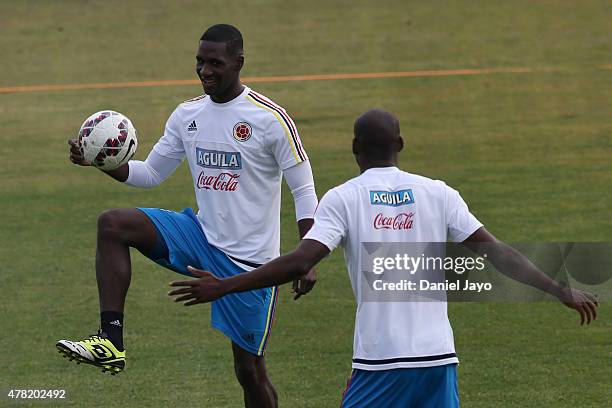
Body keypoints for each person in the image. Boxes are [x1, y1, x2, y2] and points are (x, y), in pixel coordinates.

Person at [168, 109, 599, 407]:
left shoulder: (343, 199)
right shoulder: (438, 192)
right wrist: (559, 289)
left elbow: (301, 261)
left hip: (381, 363)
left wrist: (223, 285)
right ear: (401, 144)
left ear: (355, 147)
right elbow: (497, 253)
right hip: (438, 361)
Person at [57, 24, 318, 408]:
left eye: (215, 62)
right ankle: (110, 341)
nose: (204, 70)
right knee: (113, 224)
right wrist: (100, 162)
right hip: (200, 236)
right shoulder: (187, 115)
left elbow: (304, 190)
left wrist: (307, 258)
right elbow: (150, 174)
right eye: (200, 61)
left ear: (239, 62)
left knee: (249, 370)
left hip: (250, 265)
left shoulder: (270, 119)